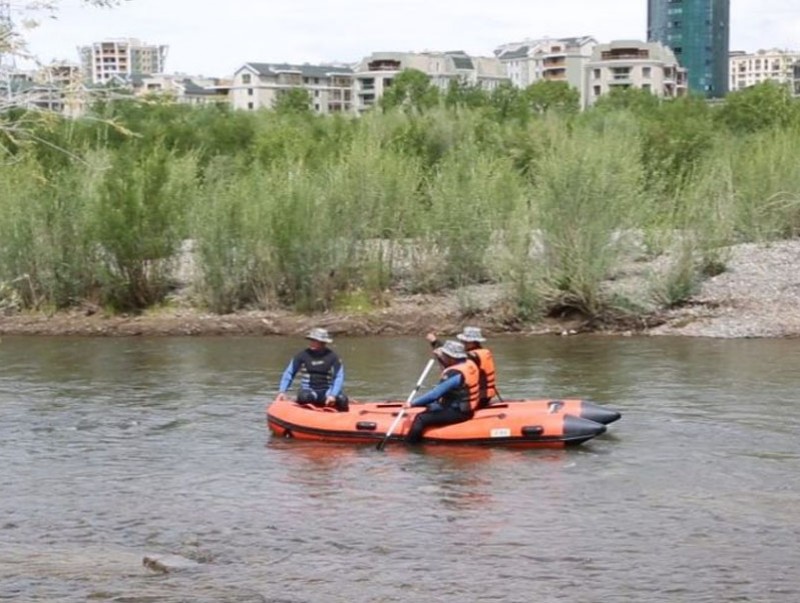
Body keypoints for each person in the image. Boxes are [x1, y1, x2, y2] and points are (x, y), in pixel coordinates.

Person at [405, 340, 479, 444]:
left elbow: (435, 395)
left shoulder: (455, 373)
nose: (443, 357)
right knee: (431, 406)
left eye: (445, 355)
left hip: (458, 412)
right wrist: (440, 357)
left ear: (452, 358)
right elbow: (450, 367)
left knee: (420, 418)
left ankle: (410, 446)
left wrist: (412, 403)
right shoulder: (469, 364)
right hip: (466, 408)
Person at [276, 327, 349, 412]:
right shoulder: (302, 355)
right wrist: (282, 391)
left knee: (343, 400)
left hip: (327, 392)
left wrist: (333, 395)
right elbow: (289, 373)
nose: (312, 343)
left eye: (315, 341)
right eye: (311, 340)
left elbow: (339, 376)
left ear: (323, 343)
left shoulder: (333, 357)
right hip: (310, 391)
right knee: (304, 397)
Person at [426, 326, 497, 408]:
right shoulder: (483, 352)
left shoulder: (472, 356)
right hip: (485, 396)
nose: (462, 343)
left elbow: (452, 364)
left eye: (464, 341)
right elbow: (452, 355)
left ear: (472, 342)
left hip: (478, 398)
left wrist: (438, 351)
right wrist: (435, 343)